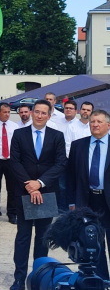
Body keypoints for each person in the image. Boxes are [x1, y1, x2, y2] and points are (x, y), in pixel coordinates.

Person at [9, 99, 66, 290]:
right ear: (32, 113)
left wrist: (40, 184)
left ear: (49, 116)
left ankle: (39, 276)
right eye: (37, 112)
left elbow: (60, 163)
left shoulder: (57, 136)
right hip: (24, 192)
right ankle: (19, 278)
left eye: (44, 113)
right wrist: (30, 186)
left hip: (47, 193)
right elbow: (15, 162)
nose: (40, 116)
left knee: (43, 237)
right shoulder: (19, 134)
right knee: (23, 236)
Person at [66, 109, 110, 280]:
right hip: (87, 201)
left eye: (99, 122)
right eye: (92, 122)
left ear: (108, 125)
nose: (95, 125)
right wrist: (71, 203)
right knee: (91, 243)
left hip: (107, 201)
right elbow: (70, 177)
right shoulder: (79, 145)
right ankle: (100, 280)